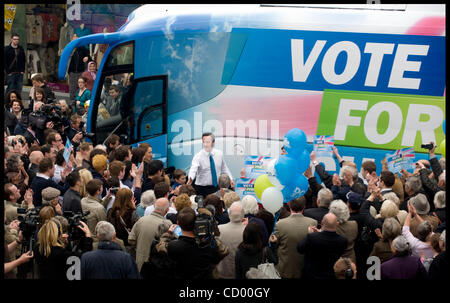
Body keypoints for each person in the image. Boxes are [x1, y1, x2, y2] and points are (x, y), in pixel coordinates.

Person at [168, 207, 224, 279]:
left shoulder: (173, 246)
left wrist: (168, 234)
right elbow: (218, 257)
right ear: (196, 222)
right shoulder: (207, 243)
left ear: (178, 223)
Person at [273, 197, 317, 278]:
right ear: (304, 206)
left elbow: (273, 244)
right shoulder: (313, 223)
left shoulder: (280, 224)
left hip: (285, 270)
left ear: (289, 205)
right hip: (304, 271)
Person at [297, 213, 348, 279]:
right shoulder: (343, 240)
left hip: (311, 275)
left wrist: (310, 235)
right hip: (331, 275)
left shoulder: (312, 237)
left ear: (322, 223)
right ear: (337, 224)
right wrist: (319, 234)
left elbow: (300, 249)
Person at [128, 198, 172, 272]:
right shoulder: (168, 225)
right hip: (156, 267)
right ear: (167, 210)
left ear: (154, 206)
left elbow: (131, 240)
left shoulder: (141, 220)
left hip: (140, 263)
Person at [188, 132, 233, 197]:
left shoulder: (219, 154)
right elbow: (193, 168)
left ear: (213, 143)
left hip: (216, 188)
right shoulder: (198, 156)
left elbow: (224, 168)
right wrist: (191, 178)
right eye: (204, 142)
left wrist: (231, 179)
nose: (205, 144)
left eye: (207, 142)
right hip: (201, 188)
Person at [216, 202, 246, 279]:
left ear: (229, 215)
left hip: (222, 272)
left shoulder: (219, 229)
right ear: (243, 215)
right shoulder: (248, 231)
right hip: (240, 273)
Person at [68, 35, 91, 102]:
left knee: (81, 87)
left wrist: (87, 58)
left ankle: (80, 102)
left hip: (80, 72)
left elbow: (89, 58)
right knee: (72, 89)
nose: (75, 42)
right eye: (73, 40)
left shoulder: (82, 48)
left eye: (76, 40)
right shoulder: (69, 48)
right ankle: (72, 104)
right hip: (72, 72)